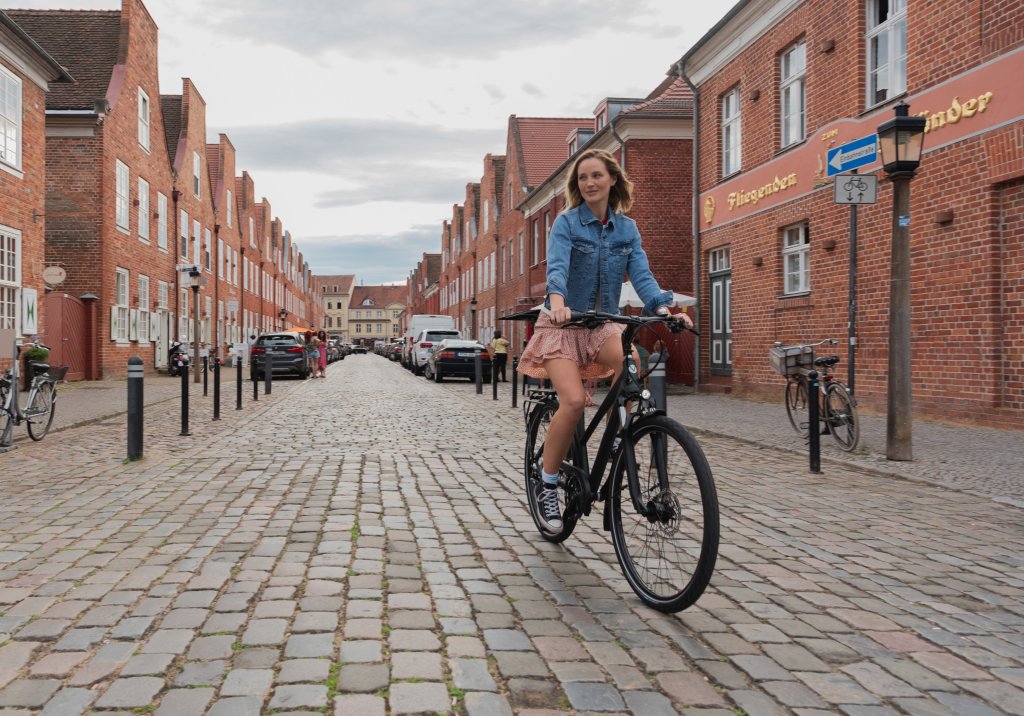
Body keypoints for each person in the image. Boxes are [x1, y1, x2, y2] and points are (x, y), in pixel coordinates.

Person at [516, 148, 692, 531]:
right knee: (575, 400)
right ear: (577, 186)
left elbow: (642, 276)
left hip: (601, 325)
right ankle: (547, 484)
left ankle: (618, 437)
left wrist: (664, 309)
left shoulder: (627, 229)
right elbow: (558, 267)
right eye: (583, 178)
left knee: (630, 367)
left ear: (612, 179)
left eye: (596, 175)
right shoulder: (566, 223)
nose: (589, 183)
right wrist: (558, 303)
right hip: (562, 325)